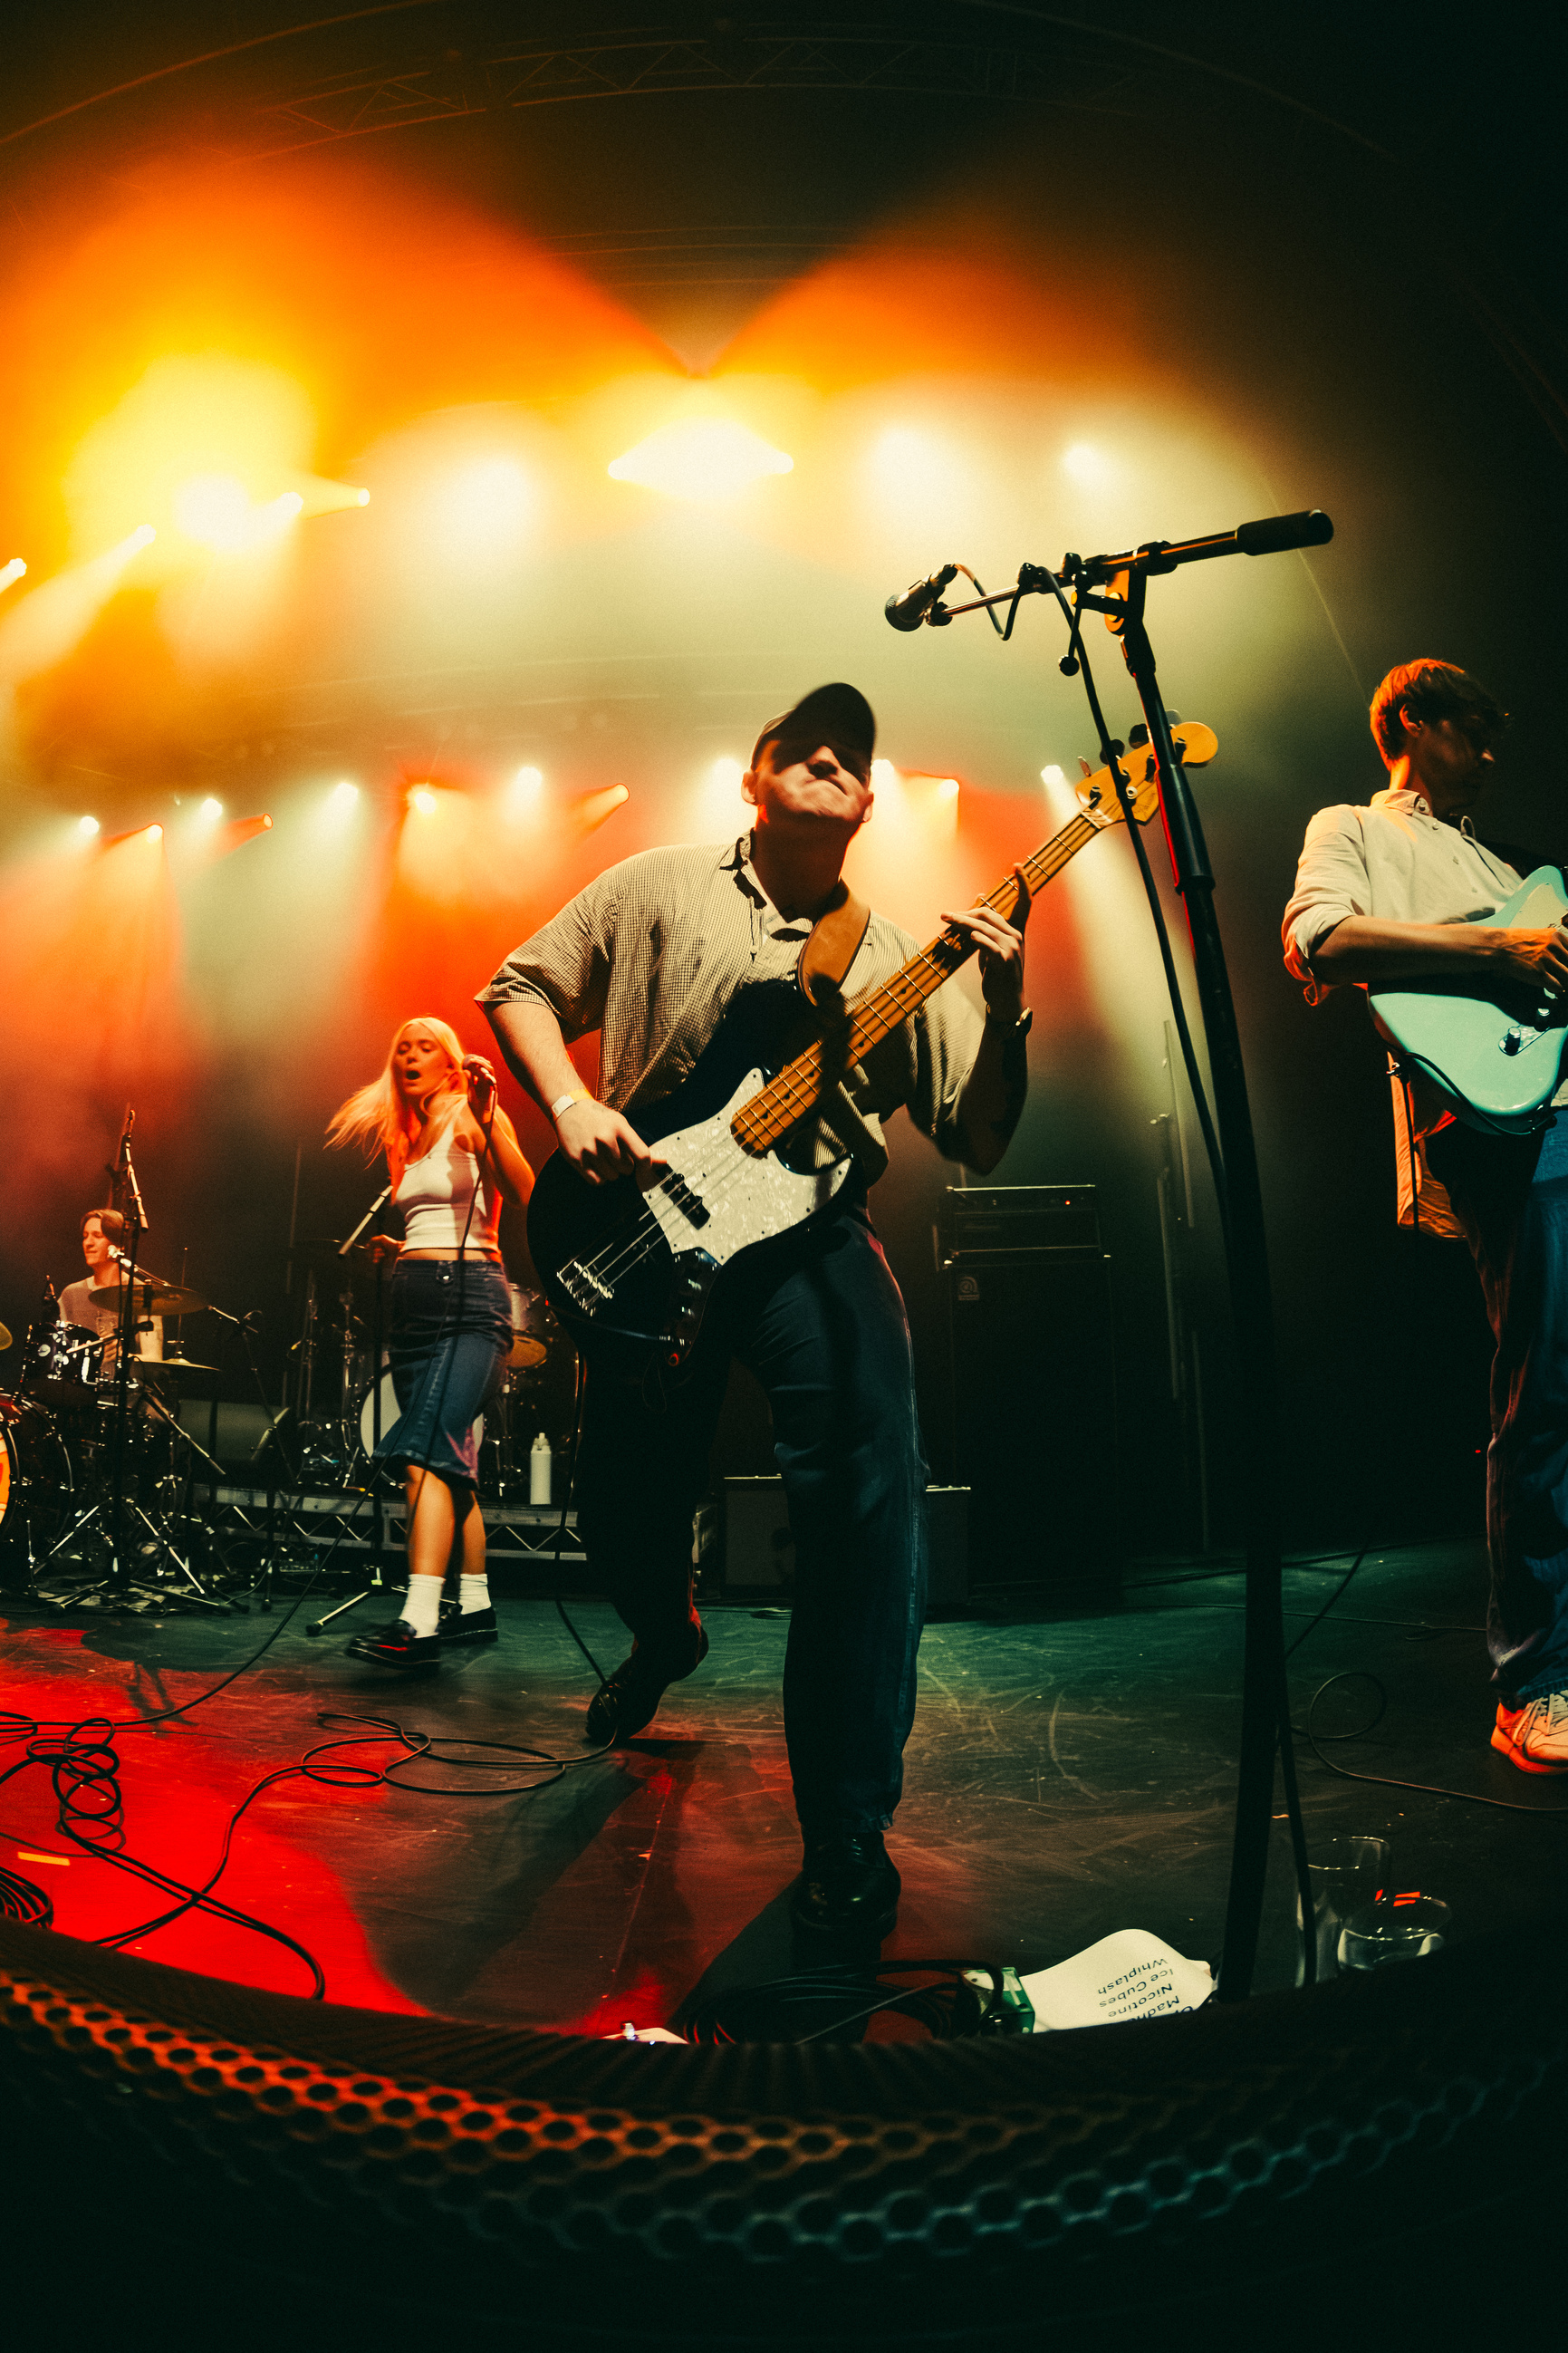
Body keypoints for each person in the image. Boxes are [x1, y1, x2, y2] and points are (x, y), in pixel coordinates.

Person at [478, 681, 1031, 1934]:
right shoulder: (656, 883)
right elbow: (516, 985)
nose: (833, 758)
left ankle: (845, 1816)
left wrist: (1001, 1011)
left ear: (869, 803)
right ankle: (661, 1631)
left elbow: (979, 1133)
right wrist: (569, 1104)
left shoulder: (892, 958)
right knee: (623, 1506)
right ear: (752, 778)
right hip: (648, 1223)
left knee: (870, 1476)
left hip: (809, 1237)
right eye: (803, 745)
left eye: (854, 756)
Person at [1283, 656, 1568, 1774]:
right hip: (1502, 1123)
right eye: (1472, 729)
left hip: (1558, 1100)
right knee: (1545, 1390)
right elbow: (1319, 938)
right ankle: (1533, 1681)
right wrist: (1499, 948)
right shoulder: (1352, 825)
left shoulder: (1508, 865)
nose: (1490, 754)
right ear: (1411, 718)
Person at [326, 1017, 535, 1667]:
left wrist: (488, 1114)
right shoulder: (404, 1137)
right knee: (449, 1465)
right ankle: (473, 1605)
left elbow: (523, 1190)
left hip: (470, 1299)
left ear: (450, 1062)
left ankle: (417, 1623)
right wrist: (400, 1247)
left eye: (425, 1047)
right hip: (413, 1305)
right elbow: (432, 1214)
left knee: (422, 1455)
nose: (410, 1056)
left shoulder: (472, 1113)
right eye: (402, 1048)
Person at [58, 1210, 164, 1370]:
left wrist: (122, 1357)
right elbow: (59, 1353)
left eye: (97, 1236)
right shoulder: (71, 1294)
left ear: (119, 1245)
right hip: (80, 1384)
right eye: (85, 1236)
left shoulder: (143, 1294)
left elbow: (154, 1360)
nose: (88, 1243)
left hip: (126, 1384)